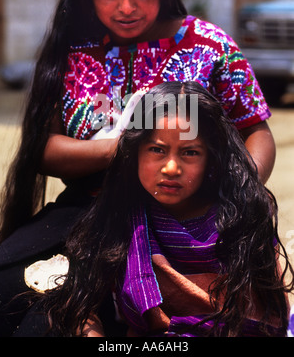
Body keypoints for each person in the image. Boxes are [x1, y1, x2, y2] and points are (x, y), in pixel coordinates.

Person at [0, 0, 275, 335]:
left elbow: (256, 131)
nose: (126, 7)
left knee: (51, 321)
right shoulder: (76, 50)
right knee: (4, 292)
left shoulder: (210, 47)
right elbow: (45, 150)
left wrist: (234, 199)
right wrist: (123, 147)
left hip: (180, 223)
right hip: (86, 216)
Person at [16, 81, 293, 337]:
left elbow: (265, 317)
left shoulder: (241, 221)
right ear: (134, 152)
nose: (171, 168)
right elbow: (82, 305)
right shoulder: (120, 217)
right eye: (157, 150)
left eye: (190, 152)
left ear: (212, 159)